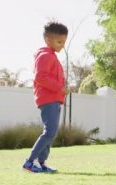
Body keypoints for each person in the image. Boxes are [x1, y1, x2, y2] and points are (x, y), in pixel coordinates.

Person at [22, 21, 70, 173]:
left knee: (52, 132)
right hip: (47, 99)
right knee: (49, 131)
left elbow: (53, 78)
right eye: (59, 41)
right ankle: (30, 162)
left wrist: (63, 88)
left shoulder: (52, 57)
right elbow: (40, 77)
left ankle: (40, 163)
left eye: (64, 42)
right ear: (48, 40)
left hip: (54, 99)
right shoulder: (45, 56)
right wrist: (60, 88)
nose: (62, 45)